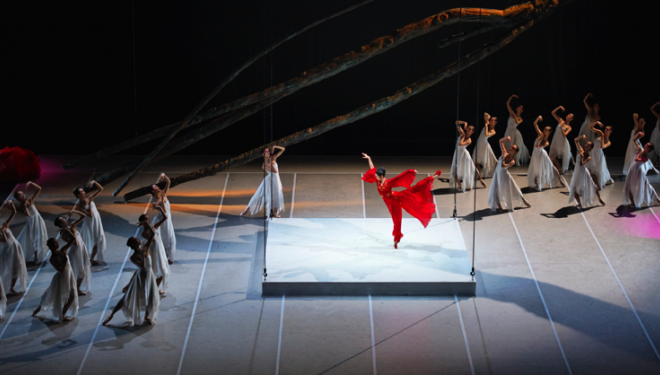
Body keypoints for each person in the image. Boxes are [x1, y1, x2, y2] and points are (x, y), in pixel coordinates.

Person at [361, 153, 440, 248]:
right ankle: (396, 239)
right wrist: (369, 158)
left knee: (413, 191)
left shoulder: (388, 183)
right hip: (390, 203)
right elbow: (372, 168)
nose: (375, 177)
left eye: (377, 176)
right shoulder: (378, 180)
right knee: (396, 221)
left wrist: (410, 172)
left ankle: (432, 178)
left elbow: (400, 177)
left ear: (382, 176)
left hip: (396, 200)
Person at [103, 234, 160, 326]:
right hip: (141, 277)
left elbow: (152, 234)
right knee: (127, 297)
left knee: (151, 296)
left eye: (137, 239)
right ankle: (111, 315)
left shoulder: (145, 247)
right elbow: (142, 266)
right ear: (133, 244)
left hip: (150, 276)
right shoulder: (133, 257)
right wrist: (142, 256)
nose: (138, 240)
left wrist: (146, 224)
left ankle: (146, 316)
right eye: (136, 240)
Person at [32, 237, 78, 323]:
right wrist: (65, 262)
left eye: (57, 243)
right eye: (55, 244)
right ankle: (42, 310)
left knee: (71, 296)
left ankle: (62, 314)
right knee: (52, 294)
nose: (57, 244)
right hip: (62, 278)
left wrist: (66, 228)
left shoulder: (63, 250)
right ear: (51, 247)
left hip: (69, 276)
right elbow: (60, 270)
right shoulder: (52, 259)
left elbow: (73, 239)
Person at [241, 146, 286, 218]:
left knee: (278, 195)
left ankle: (275, 212)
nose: (268, 152)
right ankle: (246, 209)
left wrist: (274, 147)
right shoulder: (264, 165)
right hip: (270, 181)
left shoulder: (273, 157)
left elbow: (283, 149)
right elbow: (275, 171)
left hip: (277, 181)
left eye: (268, 151)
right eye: (266, 151)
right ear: (263, 154)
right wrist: (271, 163)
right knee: (258, 194)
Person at [488, 137, 531, 212]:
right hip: (497, 174)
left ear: (515, 151)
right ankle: (499, 207)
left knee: (514, 188)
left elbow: (503, 166)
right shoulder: (504, 152)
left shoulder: (513, 161)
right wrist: (506, 138)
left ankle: (524, 201)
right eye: (511, 146)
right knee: (494, 190)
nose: (510, 148)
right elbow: (500, 141)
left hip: (505, 176)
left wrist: (504, 158)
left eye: (513, 148)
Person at [54, 210, 91, 296]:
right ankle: (76, 289)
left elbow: (83, 216)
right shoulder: (64, 234)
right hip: (76, 252)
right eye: (62, 220)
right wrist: (67, 230)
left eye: (64, 218)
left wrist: (74, 211)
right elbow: (75, 242)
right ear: (60, 224)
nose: (64, 219)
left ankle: (76, 288)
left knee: (82, 270)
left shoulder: (72, 225)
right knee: (79, 271)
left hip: (82, 248)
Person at [527, 116, 567, 191]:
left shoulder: (546, 142)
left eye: (546, 130)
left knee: (552, 168)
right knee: (536, 169)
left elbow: (537, 146)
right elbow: (535, 124)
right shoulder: (540, 134)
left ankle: (560, 179)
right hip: (536, 155)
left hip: (542, 155)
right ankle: (537, 184)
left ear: (549, 132)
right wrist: (538, 118)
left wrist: (540, 138)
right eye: (544, 129)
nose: (544, 130)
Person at [134, 209, 169, 294]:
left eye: (148, 219)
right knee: (158, 271)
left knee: (163, 270)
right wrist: (148, 227)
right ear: (143, 223)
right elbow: (153, 240)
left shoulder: (154, 226)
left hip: (160, 250)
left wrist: (160, 209)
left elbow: (165, 217)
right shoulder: (144, 233)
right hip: (154, 252)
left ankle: (155, 289)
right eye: (146, 220)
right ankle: (154, 289)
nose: (148, 220)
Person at [14, 182, 48, 264]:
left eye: (22, 194)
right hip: (32, 222)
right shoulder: (21, 206)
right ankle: (35, 256)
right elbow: (28, 215)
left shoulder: (30, 200)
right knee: (33, 238)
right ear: (18, 198)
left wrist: (31, 183)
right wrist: (25, 206)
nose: (22, 195)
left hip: (38, 220)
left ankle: (37, 256)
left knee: (39, 236)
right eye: (20, 195)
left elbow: (39, 189)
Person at [73, 181, 106, 265]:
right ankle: (88, 258)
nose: (84, 192)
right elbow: (90, 215)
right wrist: (90, 203)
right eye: (81, 191)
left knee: (99, 239)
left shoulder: (89, 198)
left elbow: (100, 189)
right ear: (78, 195)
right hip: (91, 223)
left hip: (97, 221)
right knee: (94, 240)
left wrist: (94, 181)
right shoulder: (80, 206)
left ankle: (91, 258)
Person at [623, 132, 660, 208]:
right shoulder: (640, 149)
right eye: (646, 144)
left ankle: (658, 199)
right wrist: (638, 135)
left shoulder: (645, 158)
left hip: (639, 172)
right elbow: (633, 139)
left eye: (647, 145)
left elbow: (637, 159)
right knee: (628, 186)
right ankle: (632, 202)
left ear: (648, 149)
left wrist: (640, 152)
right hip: (632, 170)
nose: (645, 145)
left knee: (647, 186)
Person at [0, 201, 28, 296]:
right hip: (8, 250)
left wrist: (11, 205)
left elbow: (13, 213)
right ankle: (6, 287)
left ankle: (12, 287)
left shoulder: (5, 225)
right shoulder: (1, 229)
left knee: (18, 266)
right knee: (10, 268)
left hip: (16, 246)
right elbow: (4, 240)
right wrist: (2, 232)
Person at [569, 135, 605, 208]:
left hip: (583, 172)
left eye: (588, 145)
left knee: (593, 185)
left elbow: (581, 164)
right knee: (573, 188)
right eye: (586, 143)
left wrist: (581, 156)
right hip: (577, 172)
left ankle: (599, 198)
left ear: (590, 148)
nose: (586, 145)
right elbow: (575, 140)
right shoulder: (580, 149)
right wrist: (582, 136)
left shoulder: (589, 157)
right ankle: (579, 203)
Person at [450, 121, 486, 191]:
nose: (468, 129)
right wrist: (464, 123)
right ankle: (459, 184)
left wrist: (462, 136)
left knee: (472, 168)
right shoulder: (462, 132)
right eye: (468, 128)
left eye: (470, 129)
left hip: (464, 155)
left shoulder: (469, 140)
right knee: (454, 170)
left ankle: (480, 179)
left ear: (472, 132)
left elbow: (460, 144)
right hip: (457, 154)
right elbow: (456, 123)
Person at [149, 173, 176, 264]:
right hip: (162, 220)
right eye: (155, 187)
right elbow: (164, 211)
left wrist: (163, 176)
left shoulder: (163, 193)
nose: (157, 187)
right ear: (153, 191)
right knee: (165, 237)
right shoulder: (155, 201)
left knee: (170, 236)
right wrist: (162, 202)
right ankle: (164, 256)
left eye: (156, 186)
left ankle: (169, 257)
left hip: (168, 219)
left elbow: (168, 182)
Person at [503, 95, 530, 166]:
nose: (518, 107)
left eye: (520, 107)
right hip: (508, 131)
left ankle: (516, 160)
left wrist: (515, 115)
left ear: (522, 110)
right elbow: (507, 104)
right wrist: (511, 97)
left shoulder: (520, 118)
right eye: (518, 106)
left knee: (516, 146)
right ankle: (506, 159)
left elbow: (517, 121)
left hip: (514, 133)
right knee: (507, 144)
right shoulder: (512, 113)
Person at [587, 121, 614, 189]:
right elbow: (590, 127)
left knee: (598, 169)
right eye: (605, 129)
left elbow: (602, 146)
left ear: (610, 131)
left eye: (608, 129)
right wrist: (596, 122)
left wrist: (602, 136)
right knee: (590, 167)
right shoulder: (600, 133)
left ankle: (599, 182)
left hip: (599, 155)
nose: (605, 130)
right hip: (592, 152)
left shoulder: (608, 142)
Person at [548, 106, 573, 174]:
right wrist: (559, 107)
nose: (568, 115)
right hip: (556, 141)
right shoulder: (561, 120)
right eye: (568, 114)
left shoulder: (569, 127)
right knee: (551, 156)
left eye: (570, 115)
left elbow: (564, 134)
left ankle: (571, 162)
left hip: (562, 142)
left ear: (571, 119)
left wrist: (562, 127)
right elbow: (553, 113)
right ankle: (559, 167)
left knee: (566, 155)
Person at [472, 112, 498, 178]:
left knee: (492, 160)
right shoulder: (487, 124)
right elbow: (485, 113)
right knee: (476, 160)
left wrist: (486, 125)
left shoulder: (493, 131)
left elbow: (486, 135)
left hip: (484, 145)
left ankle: (500, 172)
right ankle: (478, 175)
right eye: (491, 119)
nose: (491, 120)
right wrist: (488, 117)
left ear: (495, 122)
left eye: (492, 120)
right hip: (479, 143)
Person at [650, 102, 660, 166]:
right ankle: (656, 160)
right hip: (656, 133)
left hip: (658, 133)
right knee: (655, 146)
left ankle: (658, 160)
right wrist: (657, 103)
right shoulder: (659, 116)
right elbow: (651, 109)